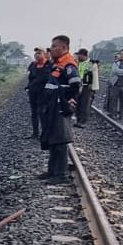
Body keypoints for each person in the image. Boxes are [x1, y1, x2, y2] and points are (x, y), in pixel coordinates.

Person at [38, 36, 83, 182]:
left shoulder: (68, 64)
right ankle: (52, 171)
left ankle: (61, 174)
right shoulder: (56, 63)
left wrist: (67, 102)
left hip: (59, 107)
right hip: (52, 106)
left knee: (60, 141)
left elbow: (75, 85)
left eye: (54, 46)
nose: (51, 49)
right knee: (53, 140)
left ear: (64, 48)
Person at [25, 49, 49, 138]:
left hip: (43, 92)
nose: (37, 55)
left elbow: (47, 78)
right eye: (36, 53)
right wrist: (28, 87)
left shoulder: (49, 65)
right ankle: (35, 133)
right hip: (33, 92)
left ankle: (44, 133)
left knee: (42, 112)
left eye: (39, 53)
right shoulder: (33, 65)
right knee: (34, 113)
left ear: (44, 54)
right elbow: (30, 77)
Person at [74, 51, 98, 127]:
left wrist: (93, 86)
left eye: (79, 56)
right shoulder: (80, 63)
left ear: (84, 56)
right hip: (79, 85)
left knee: (85, 104)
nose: (78, 57)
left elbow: (95, 75)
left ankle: (83, 122)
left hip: (87, 86)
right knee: (78, 104)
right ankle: (78, 120)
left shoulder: (92, 64)